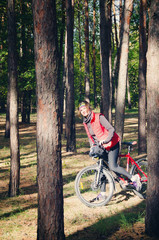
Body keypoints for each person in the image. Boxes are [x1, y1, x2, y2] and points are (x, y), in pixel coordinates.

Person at [78, 101, 141, 199]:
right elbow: (91, 137)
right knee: (102, 168)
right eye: (81, 110)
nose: (83, 111)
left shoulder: (99, 117)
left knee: (113, 166)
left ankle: (133, 177)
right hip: (102, 147)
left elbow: (111, 129)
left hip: (112, 143)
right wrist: (92, 147)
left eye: (84, 108)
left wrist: (106, 140)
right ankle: (103, 194)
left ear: (88, 108)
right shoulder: (86, 122)